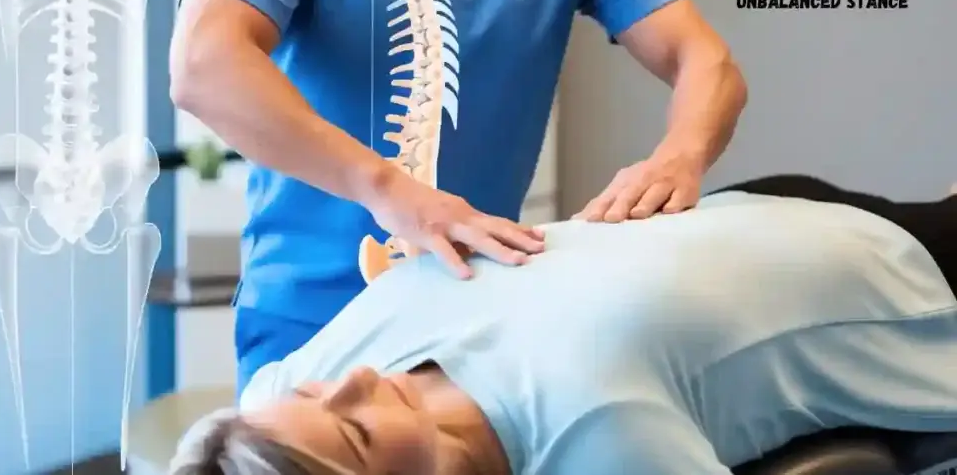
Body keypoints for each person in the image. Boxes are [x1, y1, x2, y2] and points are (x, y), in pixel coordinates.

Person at [168, 0, 748, 393]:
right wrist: (391, 190)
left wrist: (682, 153)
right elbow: (202, 63)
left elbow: (706, 61)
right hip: (307, 325)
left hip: (472, 327)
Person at [169, 175, 957, 474]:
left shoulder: (272, 410)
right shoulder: (597, 439)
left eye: (322, 393)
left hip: (743, 201)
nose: (359, 383)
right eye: (359, 435)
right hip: (904, 284)